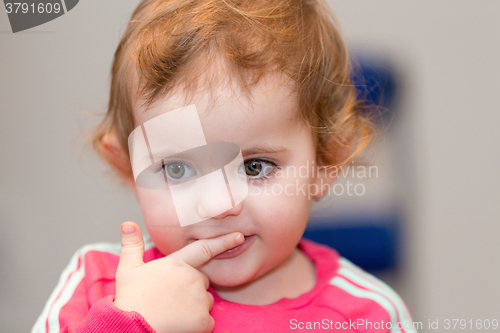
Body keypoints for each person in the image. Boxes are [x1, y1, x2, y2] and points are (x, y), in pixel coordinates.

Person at [32, 0, 417, 332]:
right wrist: (129, 324)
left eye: (254, 167)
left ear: (325, 162)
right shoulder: (97, 285)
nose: (218, 204)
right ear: (127, 169)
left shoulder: (370, 315)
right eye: (178, 169)